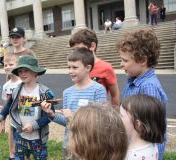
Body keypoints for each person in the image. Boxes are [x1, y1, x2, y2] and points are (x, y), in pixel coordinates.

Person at [41, 48, 107, 159]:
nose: (70, 71)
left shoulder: (98, 90)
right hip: (69, 145)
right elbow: (67, 122)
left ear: (88, 68)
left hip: (90, 146)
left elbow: (99, 122)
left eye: (75, 67)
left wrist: (73, 116)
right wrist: (51, 114)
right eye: (69, 67)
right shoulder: (67, 92)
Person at [0, 55, 55, 159]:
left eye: (26, 70)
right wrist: (0, 118)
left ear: (35, 72)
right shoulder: (17, 90)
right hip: (20, 136)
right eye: (20, 71)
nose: (22, 74)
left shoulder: (44, 92)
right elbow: (9, 106)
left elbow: (50, 116)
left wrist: (34, 125)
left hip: (38, 138)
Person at [116, 28, 168, 159]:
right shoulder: (133, 79)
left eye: (125, 60)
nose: (121, 64)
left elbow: (151, 129)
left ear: (143, 60)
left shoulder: (148, 87)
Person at [69, 28, 120, 106]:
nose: (76, 53)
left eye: (79, 49)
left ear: (92, 46)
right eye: (74, 50)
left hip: (98, 113)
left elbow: (115, 95)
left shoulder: (105, 67)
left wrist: (115, 115)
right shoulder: (76, 67)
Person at [121, 94, 166, 160]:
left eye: (122, 115)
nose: (118, 118)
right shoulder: (151, 145)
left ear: (137, 124)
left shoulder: (131, 156)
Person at [0, 53, 22, 160]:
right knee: (13, 147)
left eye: (11, 64)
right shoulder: (6, 86)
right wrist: (2, 123)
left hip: (24, 121)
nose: (7, 67)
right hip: (13, 121)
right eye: (5, 65)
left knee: (23, 148)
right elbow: (5, 104)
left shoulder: (22, 83)